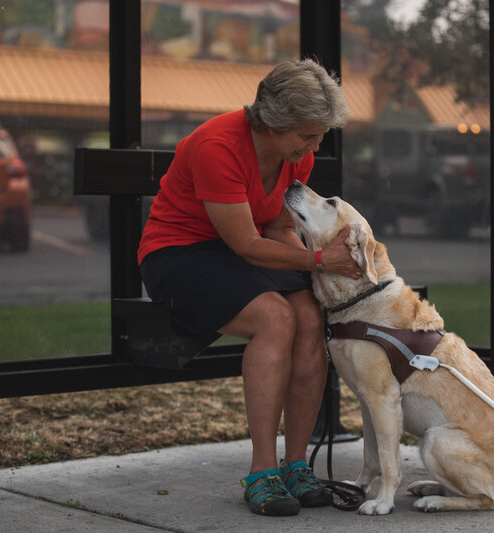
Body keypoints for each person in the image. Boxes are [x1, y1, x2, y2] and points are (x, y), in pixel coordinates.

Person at [137, 59, 360, 517]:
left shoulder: (296, 153)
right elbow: (245, 242)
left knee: (309, 316)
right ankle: (262, 471)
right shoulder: (217, 146)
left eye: (320, 134)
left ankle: (297, 465)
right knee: (274, 317)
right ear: (273, 124)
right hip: (180, 254)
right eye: (307, 135)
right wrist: (319, 260)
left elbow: (278, 226)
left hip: (242, 252)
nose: (316, 145)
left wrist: (312, 273)